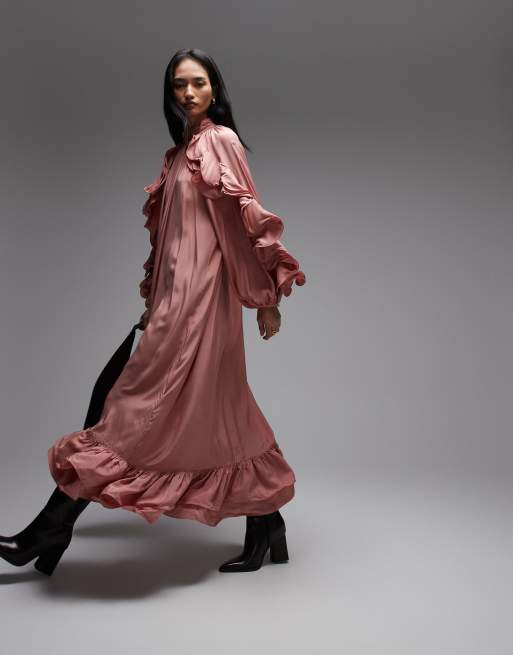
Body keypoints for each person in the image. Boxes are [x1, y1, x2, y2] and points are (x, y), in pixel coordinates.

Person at [0, 48, 306, 576]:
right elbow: (172, 241)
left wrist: (266, 297)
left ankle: (49, 529)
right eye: (178, 85)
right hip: (174, 303)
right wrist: (155, 302)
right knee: (223, 412)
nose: (188, 93)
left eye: (198, 82)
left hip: (200, 306)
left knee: (126, 410)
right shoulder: (178, 155)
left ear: (215, 88)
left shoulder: (220, 141)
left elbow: (243, 222)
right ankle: (267, 524)